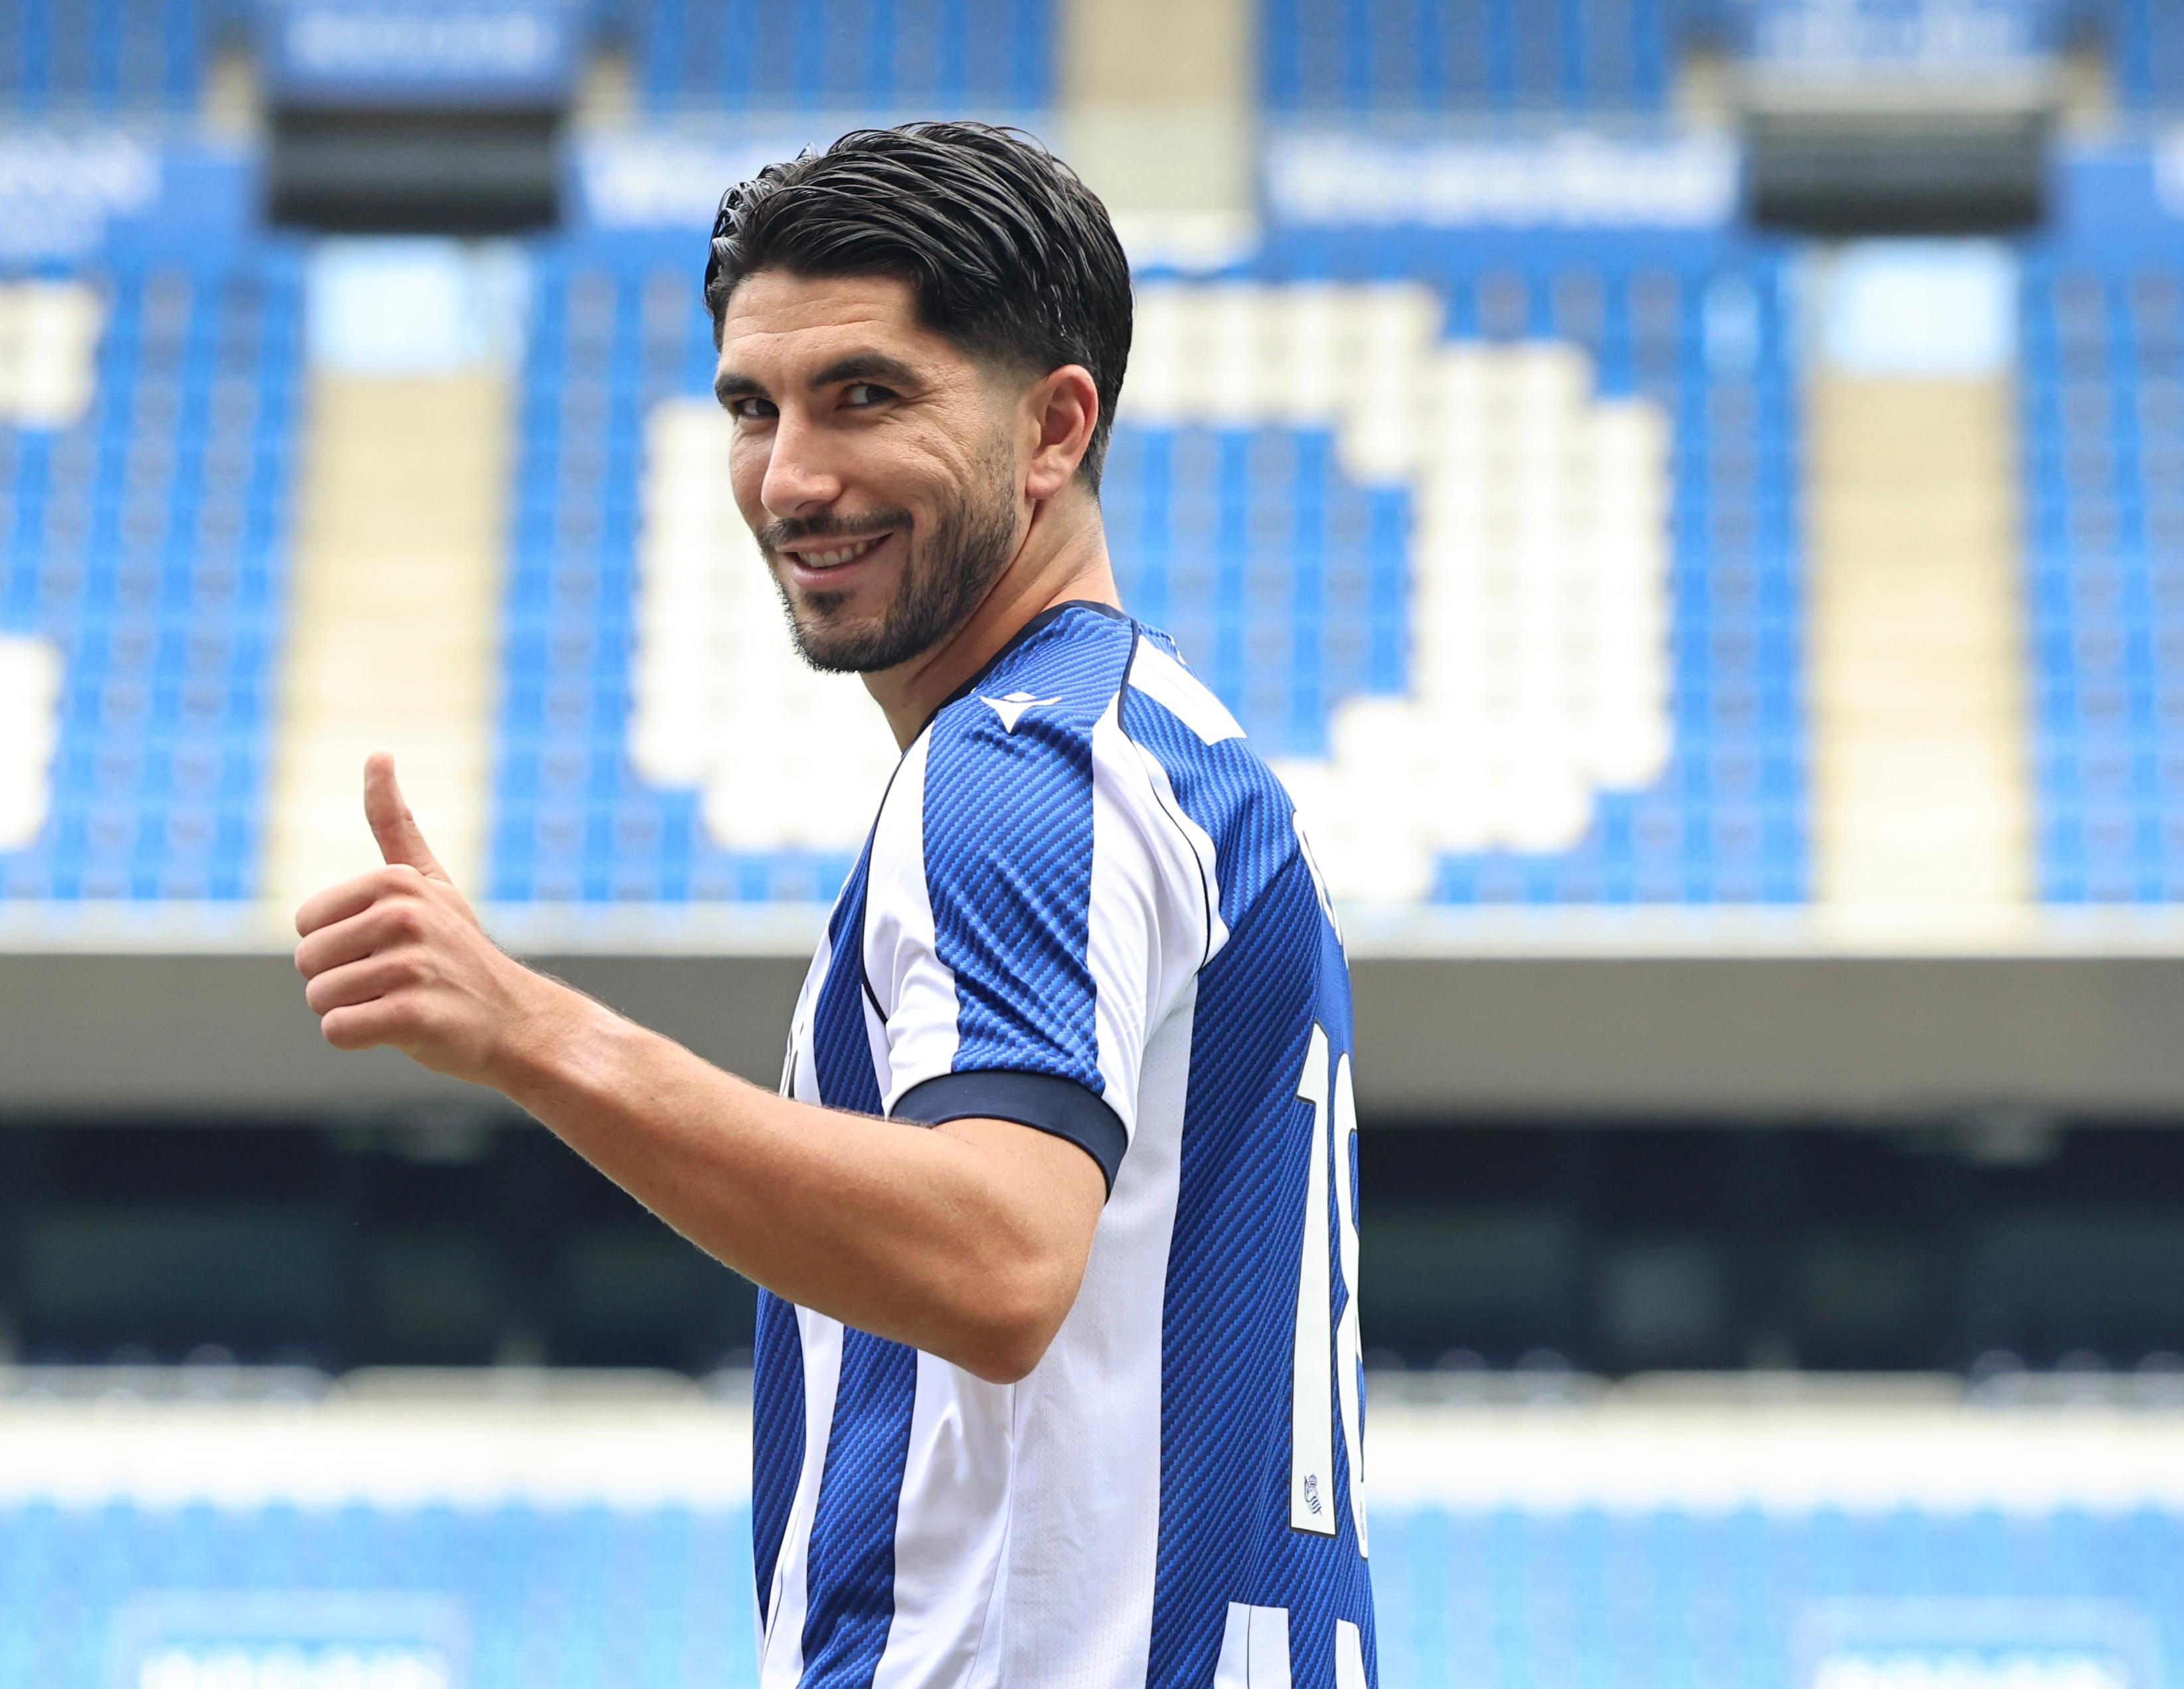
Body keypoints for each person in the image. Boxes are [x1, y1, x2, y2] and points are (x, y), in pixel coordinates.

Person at [292, 121, 1375, 1688]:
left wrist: (532, 1034)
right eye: (753, 408)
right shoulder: (1177, 755)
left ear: (1056, 427)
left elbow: (999, 1262)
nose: (791, 479)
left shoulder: (1013, 772)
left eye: (865, 395)